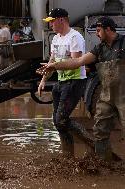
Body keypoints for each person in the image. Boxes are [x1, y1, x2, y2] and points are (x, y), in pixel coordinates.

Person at [38, 16, 125, 167]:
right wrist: (55, 66)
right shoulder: (99, 48)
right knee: (100, 131)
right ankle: (104, 163)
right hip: (106, 97)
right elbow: (78, 62)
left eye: (98, 30)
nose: (96, 33)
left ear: (108, 29)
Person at [38, 8, 91, 156]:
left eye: (52, 21)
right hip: (61, 81)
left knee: (61, 119)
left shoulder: (75, 37)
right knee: (57, 121)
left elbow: (76, 62)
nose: (50, 25)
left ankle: (91, 141)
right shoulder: (56, 38)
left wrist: (54, 66)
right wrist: (43, 80)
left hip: (74, 81)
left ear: (61, 20)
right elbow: (52, 60)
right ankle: (68, 156)